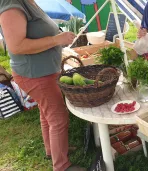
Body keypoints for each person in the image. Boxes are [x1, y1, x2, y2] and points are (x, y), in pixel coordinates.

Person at [0, 0, 85, 171]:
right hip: (35, 74)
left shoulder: (27, 3)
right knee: (58, 118)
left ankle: (51, 150)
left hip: (43, 71)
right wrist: (56, 39)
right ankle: (61, 165)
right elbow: (16, 46)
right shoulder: (12, 5)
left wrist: (58, 39)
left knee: (47, 113)